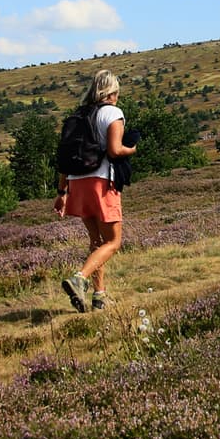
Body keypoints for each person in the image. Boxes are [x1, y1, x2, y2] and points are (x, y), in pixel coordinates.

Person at [56, 69, 137, 313]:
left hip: (76, 183)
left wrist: (62, 191)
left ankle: (99, 296)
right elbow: (114, 150)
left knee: (96, 242)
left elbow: (64, 158)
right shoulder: (113, 112)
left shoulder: (78, 116)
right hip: (100, 183)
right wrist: (131, 149)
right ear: (113, 92)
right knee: (113, 241)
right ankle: (79, 279)